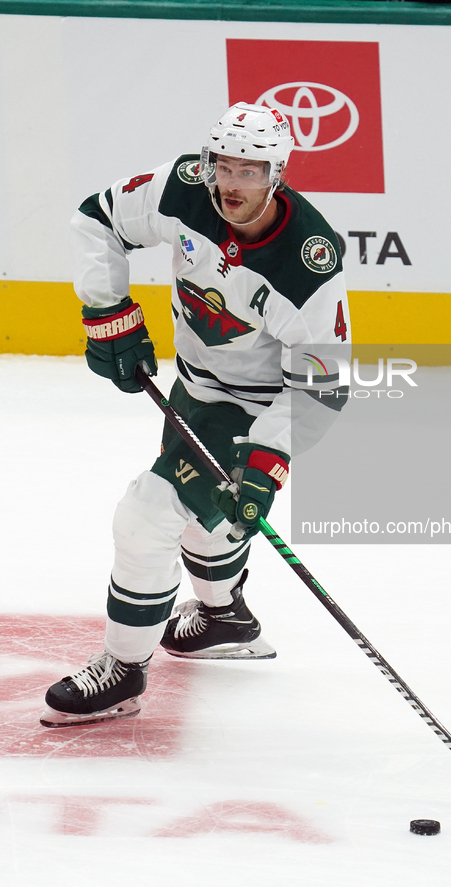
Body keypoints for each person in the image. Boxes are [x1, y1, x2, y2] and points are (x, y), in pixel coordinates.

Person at [41, 102, 351, 728]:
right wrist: (109, 314)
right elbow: (97, 217)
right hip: (193, 383)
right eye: (224, 166)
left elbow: (321, 386)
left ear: (278, 172)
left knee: (147, 516)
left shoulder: (307, 262)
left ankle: (124, 668)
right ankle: (223, 618)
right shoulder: (184, 187)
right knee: (204, 519)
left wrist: (265, 465)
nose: (232, 184)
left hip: (256, 403)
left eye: (251, 171)